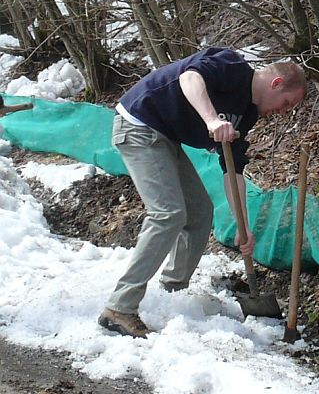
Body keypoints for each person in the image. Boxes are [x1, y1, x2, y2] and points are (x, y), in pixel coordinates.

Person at [98, 47, 306, 338]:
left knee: (199, 213)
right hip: (138, 124)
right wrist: (211, 119)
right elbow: (190, 78)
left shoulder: (246, 116)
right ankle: (119, 307)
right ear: (276, 83)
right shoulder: (232, 66)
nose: (283, 112)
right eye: (286, 103)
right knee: (168, 213)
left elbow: (232, 172)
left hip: (164, 138)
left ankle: (172, 291)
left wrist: (242, 227)